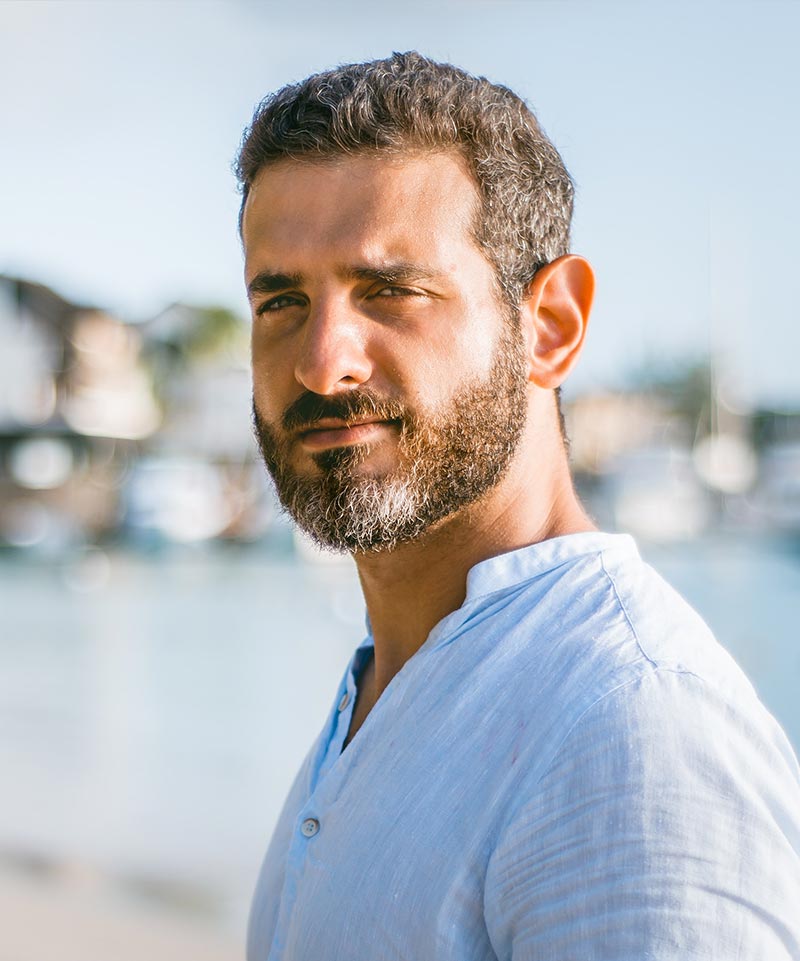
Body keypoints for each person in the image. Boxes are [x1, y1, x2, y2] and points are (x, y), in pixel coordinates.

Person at [237, 52, 800, 960]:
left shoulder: (631, 731)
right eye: (282, 301)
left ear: (551, 325)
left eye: (392, 291)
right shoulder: (392, 685)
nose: (321, 361)